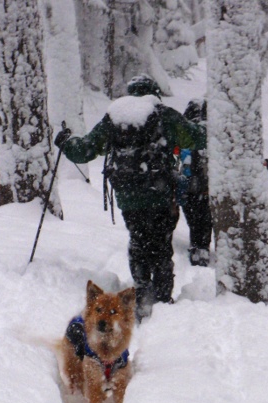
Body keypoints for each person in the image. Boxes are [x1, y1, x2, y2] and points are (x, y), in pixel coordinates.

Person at [55, 74, 206, 321]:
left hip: (128, 196)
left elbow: (85, 151)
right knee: (161, 245)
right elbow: (197, 138)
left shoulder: (116, 116)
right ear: (153, 92)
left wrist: (65, 141)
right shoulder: (163, 114)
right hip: (160, 194)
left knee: (139, 241)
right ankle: (162, 301)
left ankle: (142, 292)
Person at [176, 99, 212, 267]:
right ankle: (202, 247)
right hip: (207, 183)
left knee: (194, 216)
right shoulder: (211, 133)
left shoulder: (184, 133)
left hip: (187, 183)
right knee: (205, 215)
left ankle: (196, 245)